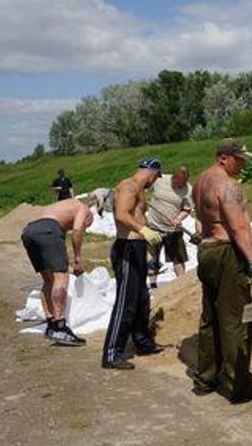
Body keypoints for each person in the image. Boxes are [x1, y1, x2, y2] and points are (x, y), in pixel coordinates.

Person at [190, 138, 252, 403]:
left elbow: (202, 218)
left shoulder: (201, 181)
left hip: (206, 251)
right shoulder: (228, 186)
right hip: (227, 253)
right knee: (236, 321)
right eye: (239, 159)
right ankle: (239, 386)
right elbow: (238, 228)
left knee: (211, 317)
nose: (243, 163)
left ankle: (206, 378)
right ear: (224, 158)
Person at [101, 158, 168, 370]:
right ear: (152, 171)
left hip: (137, 247)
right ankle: (112, 353)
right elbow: (121, 215)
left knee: (141, 299)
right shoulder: (128, 185)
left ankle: (143, 343)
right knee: (126, 302)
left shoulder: (138, 189)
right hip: (127, 248)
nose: (155, 182)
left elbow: (138, 216)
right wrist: (143, 231)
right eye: (156, 177)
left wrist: (149, 233)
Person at [20, 198, 93, 346]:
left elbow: (54, 260)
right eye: (87, 225)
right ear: (88, 218)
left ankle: (51, 324)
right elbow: (78, 230)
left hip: (29, 231)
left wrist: (70, 269)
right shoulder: (82, 208)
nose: (83, 227)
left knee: (48, 280)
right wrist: (78, 257)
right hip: (48, 231)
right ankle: (60, 326)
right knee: (61, 278)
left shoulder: (61, 207)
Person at [146, 166, 193, 280]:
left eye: (183, 183)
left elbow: (187, 209)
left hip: (173, 229)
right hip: (154, 226)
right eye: (178, 183)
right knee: (153, 257)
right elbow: (144, 188)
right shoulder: (160, 180)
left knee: (178, 259)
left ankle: (182, 283)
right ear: (173, 177)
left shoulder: (188, 189)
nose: (180, 186)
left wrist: (178, 218)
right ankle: (153, 286)